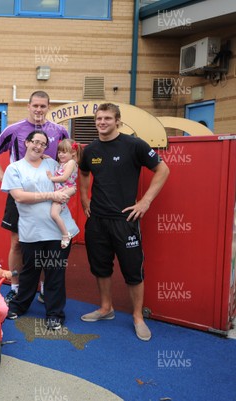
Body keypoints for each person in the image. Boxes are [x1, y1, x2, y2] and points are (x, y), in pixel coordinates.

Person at [79, 103, 170, 341]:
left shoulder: (134, 145)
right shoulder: (90, 150)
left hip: (125, 220)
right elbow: (84, 172)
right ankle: (106, 308)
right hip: (97, 221)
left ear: (117, 120)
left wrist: (145, 202)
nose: (102, 122)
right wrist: (83, 198)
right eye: (99, 118)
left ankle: (138, 317)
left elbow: (163, 170)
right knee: (100, 267)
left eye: (107, 118)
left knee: (133, 272)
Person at [0, 90, 69, 304]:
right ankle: (15, 286)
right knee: (18, 243)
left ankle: (43, 288)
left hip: (50, 194)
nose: (39, 110)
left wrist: (68, 182)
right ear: (28, 106)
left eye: (43, 106)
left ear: (48, 107)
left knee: (48, 242)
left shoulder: (59, 131)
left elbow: (71, 156)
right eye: (35, 106)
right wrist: (5, 178)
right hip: (21, 194)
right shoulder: (14, 130)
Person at [1, 130, 79, 330]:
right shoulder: (14, 168)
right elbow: (19, 196)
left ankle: (55, 314)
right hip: (31, 230)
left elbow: (72, 182)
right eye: (35, 142)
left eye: (43, 144)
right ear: (26, 143)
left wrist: (69, 191)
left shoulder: (53, 164)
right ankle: (20, 305)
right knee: (30, 272)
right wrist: (50, 196)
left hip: (58, 230)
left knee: (55, 273)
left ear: (46, 148)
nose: (38, 146)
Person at [46, 138, 82, 248]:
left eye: (64, 152)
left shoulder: (71, 162)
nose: (61, 155)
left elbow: (64, 177)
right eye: (59, 152)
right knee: (56, 212)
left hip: (67, 188)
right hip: (62, 189)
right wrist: (47, 157)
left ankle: (66, 234)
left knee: (54, 214)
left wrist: (51, 178)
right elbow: (59, 167)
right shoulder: (63, 163)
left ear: (73, 153)